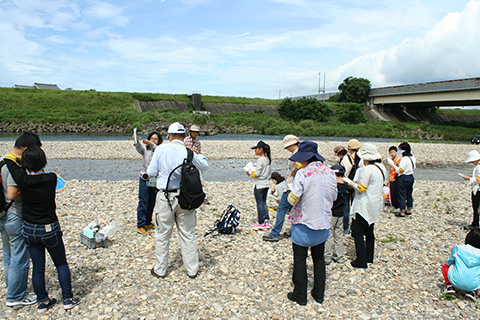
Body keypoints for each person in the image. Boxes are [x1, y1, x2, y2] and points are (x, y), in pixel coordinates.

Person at [5, 146, 78, 313]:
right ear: (43, 162)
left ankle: (42, 301)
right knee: (60, 263)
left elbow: (12, 168)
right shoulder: (51, 178)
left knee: (38, 266)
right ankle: (67, 298)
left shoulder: (23, 180)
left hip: (30, 229)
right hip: (49, 227)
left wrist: (11, 159)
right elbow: (41, 175)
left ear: (25, 165)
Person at [147, 122, 208, 279]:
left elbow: (151, 171)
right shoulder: (188, 152)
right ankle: (192, 270)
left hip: (165, 196)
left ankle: (160, 270)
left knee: (162, 233)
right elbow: (205, 165)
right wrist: (196, 153)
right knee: (187, 233)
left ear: (170, 136)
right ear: (184, 136)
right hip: (185, 197)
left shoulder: (160, 149)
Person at [286, 141, 337, 305]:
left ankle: (300, 295)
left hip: (304, 224)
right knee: (319, 259)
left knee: (300, 260)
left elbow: (293, 198)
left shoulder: (303, 173)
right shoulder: (330, 173)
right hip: (322, 225)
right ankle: (318, 294)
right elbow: (334, 197)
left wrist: (289, 193)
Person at [0, 131, 40, 308]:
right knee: (20, 257)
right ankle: (16, 296)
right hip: (14, 215)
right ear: (25, 149)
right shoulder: (13, 166)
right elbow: (12, 193)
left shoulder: (3, 159)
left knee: (9, 254)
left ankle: (12, 289)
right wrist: (33, 188)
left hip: (3, 214)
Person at [347, 143, 387, 269]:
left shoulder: (368, 169)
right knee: (370, 231)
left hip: (364, 204)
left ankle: (361, 260)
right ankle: (369, 257)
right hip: (375, 203)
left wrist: (351, 184)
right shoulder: (381, 167)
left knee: (357, 232)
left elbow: (361, 188)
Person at [263, 135, 300, 242]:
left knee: (282, 209)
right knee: (296, 209)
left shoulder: (296, 154)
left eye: (287, 146)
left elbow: (295, 170)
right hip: (296, 186)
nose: (287, 149)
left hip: (292, 186)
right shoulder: (300, 153)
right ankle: (294, 231)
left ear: (292, 144)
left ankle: (275, 233)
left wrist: (292, 173)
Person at [133, 131, 162, 234]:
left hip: (155, 178)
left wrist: (151, 144)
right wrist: (136, 139)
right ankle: (140, 224)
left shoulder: (159, 150)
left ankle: (148, 221)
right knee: (143, 200)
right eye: (152, 138)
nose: (153, 140)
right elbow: (138, 147)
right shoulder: (145, 150)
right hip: (145, 177)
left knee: (152, 201)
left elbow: (157, 149)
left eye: (156, 139)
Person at [442, 227, 480, 301]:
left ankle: (450, 286)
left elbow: (450, 261)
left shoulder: (459, 248)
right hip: (473, 285)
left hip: (455, 280)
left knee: (445, 266)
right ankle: (473, 291)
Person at [324, 165, 347, 265]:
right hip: (341, 213)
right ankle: (339, 256)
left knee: (328, 235)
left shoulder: (333, 186)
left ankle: (327, 257)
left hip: (332, 213)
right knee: (339, 235)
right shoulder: (346, 186)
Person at [340, 139, 364, 234]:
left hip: (347, 184)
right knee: (356, 206)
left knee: (346, 208)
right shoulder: (362, 158)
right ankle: (356, 227)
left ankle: (346, 228)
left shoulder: (346, 158)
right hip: (358, 184)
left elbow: (343, 173)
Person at [247, 140, 272, 230]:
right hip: (266, 183)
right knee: (264, 202)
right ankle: (266, 220)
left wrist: (249, 172)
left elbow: (256, 174)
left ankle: (261, 221)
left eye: (256, 149)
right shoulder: (268, 159)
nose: (255, 151)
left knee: (259, 203)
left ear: (260, 149)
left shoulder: (260, 160)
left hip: (259, 184)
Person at [388, 142, 416, 218]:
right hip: (411, 176)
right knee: (409, 194)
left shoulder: (404, 159)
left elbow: (400, 170)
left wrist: (393, 165)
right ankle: (409, 209)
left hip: (403, 178)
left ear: (404, 150)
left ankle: (402, 211)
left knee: (402, 194)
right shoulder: (412, 157)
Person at [461, 150, 480, 230]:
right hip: (477, 189)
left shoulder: (479, 166)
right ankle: (475, 223)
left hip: (478, 190)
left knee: (476, 207)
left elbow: (479, 179)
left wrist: (469, 178)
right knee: (476, 207)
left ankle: (476, 225)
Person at [386, 146, 401, 211]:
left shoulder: (399, 160)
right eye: (391, 152)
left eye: (394, 152)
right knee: (392, 192)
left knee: (396, 192)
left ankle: (398, 206)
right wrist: (388, 180)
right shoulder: (390, 161)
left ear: (396, 152)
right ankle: (393, 205)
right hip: (391, 178)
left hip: (397, 178)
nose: (392, 154)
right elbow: (390, 170)